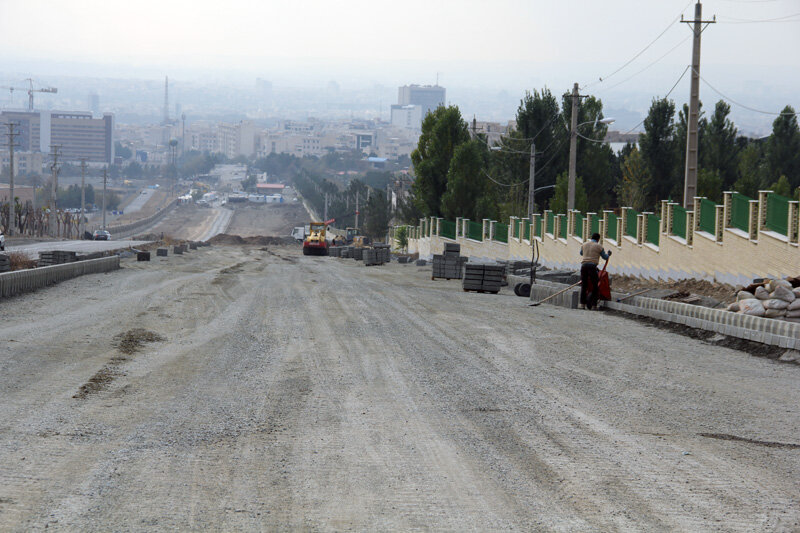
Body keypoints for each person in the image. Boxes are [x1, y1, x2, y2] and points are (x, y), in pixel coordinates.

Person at [579, 233, 611, 310]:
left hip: (584, 266)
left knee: (584, 286)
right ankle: (594, 305)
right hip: (592, 267)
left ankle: (582, 304)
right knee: (595, 286)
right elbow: (605, 257)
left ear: (591, 238)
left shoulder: (584, 244)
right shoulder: (599, 246)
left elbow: (581, 253)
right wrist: (609, 254)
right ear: (598, 239)